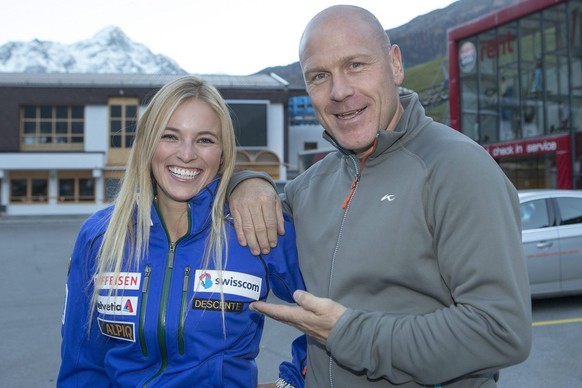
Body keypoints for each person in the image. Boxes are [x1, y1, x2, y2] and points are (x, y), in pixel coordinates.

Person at [228, 5, 532, 388]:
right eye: (319, 76)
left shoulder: (458, 167)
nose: (339, 91)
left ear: (395, 65)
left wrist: (346, 332)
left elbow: (501, 330)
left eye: (355, 65)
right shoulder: (308, 187)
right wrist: (249, 180)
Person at [57, 75, 305, 387]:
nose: (186, 154)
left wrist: (295, 381)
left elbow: (334, 312)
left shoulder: (254, 223)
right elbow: (81, 366)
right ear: (147, 143)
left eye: (205, 140)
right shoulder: (100, 235)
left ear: (222, 152)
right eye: (170, 136)